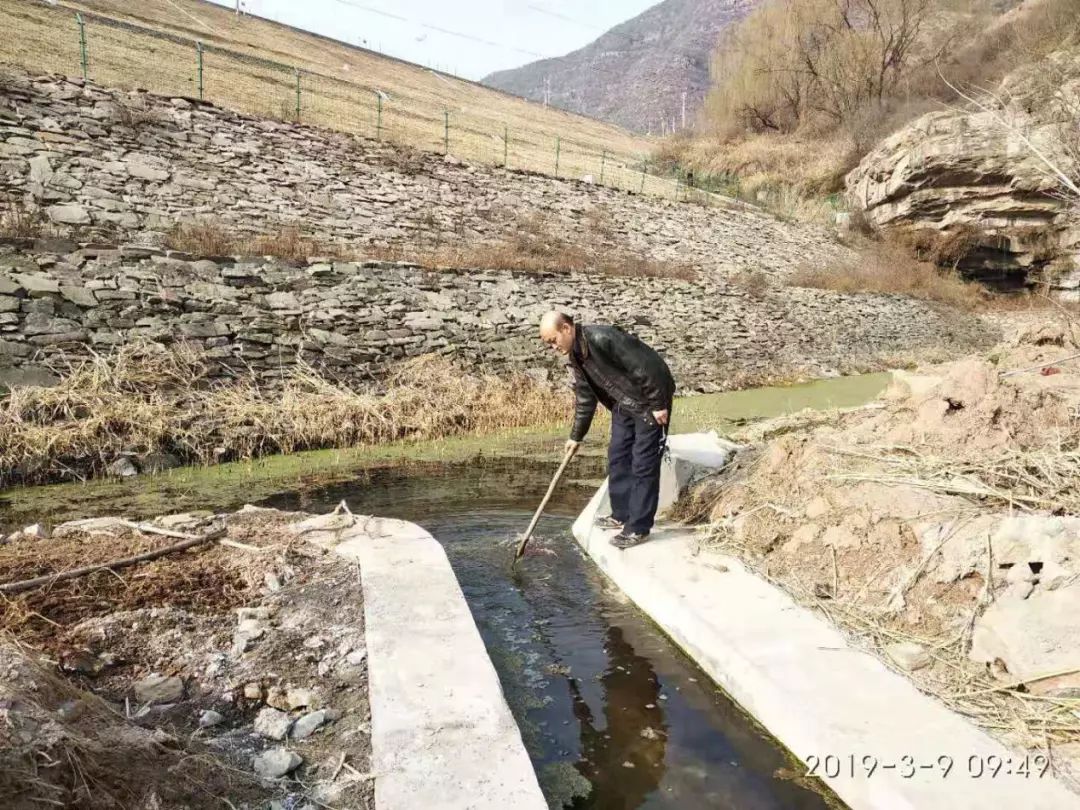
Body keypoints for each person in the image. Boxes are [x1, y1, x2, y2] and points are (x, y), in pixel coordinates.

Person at [538, 311, 675, 549]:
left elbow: (644, 366)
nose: (553, 347)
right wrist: (576, 436)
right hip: (623, 404)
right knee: (618, 457)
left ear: (566, 329)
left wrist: (658, 404)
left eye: (553, 340)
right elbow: (585, 397)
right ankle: (620, 514)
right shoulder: (577, 358)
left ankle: (638, 528)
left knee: (644, 464)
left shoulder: (603, 338)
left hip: (648, 403)